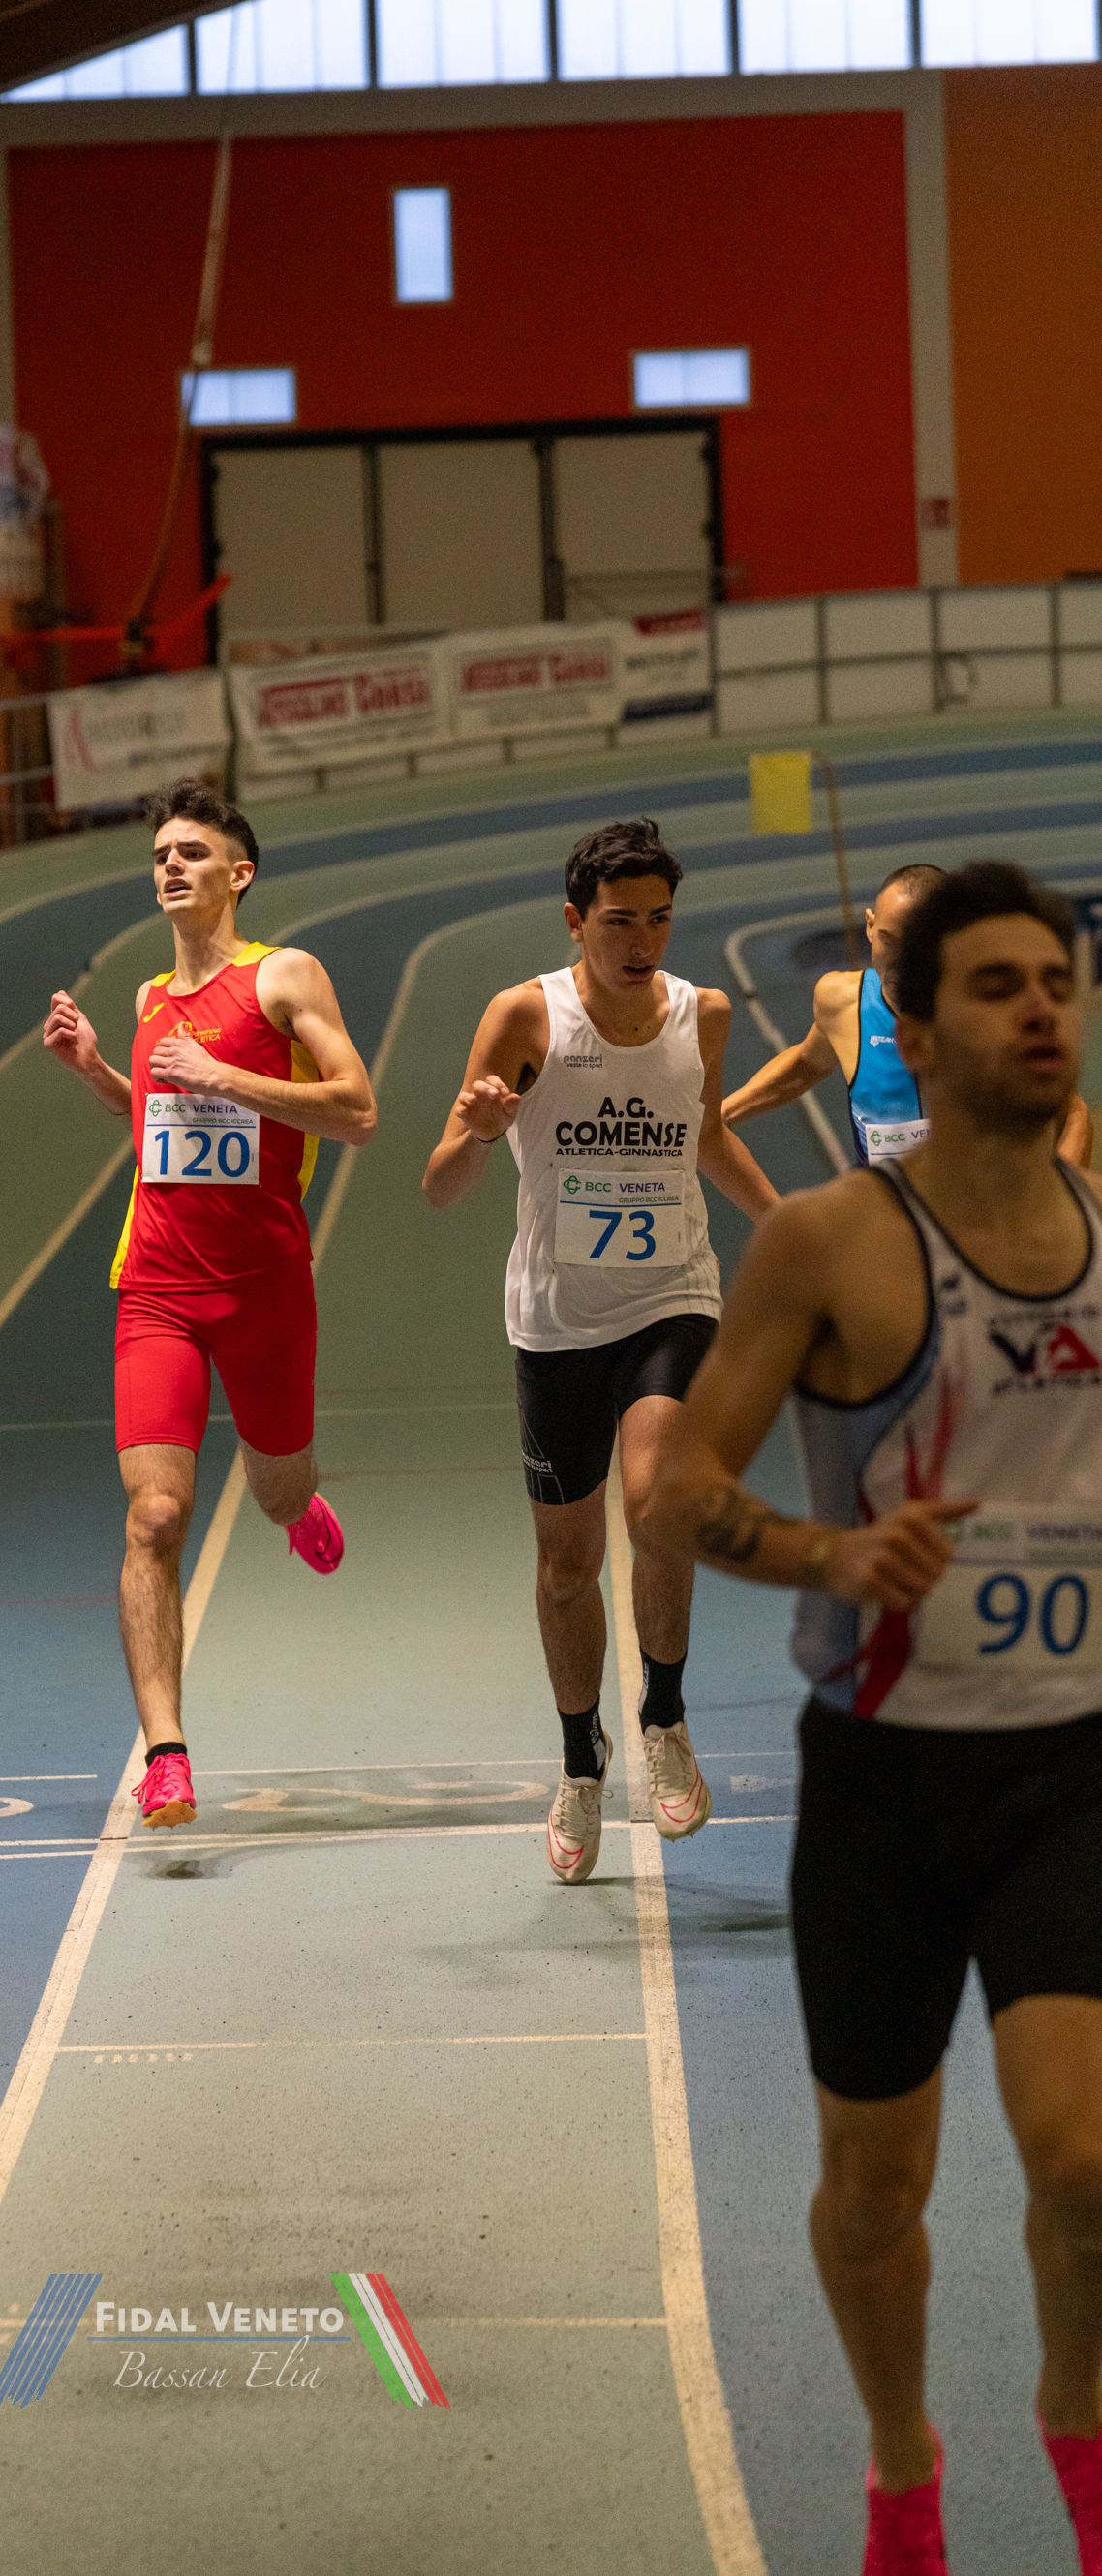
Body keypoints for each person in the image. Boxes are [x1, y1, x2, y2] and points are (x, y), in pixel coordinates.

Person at [645, 862, 1102, 2576]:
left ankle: (1078, 2430)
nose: (1038, 1009)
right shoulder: (829, 1241)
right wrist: (825, 1550)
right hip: (886, 1781)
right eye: (994, 984)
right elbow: (679, 1483)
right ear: (906, 1020)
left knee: (1084, 2162)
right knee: (870, 2192)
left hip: (1073, 1762)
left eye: (1055, 981)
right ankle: (902, 2468)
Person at [421, 816, 780, 1883]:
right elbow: (440, 1182)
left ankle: (662, 1716)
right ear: (574, 920)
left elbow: (704, 1135)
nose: (643, 941)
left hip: (672, 1298)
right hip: (555, 1320)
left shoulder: (703, 1014)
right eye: (620, 921)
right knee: (567, 1566)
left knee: (658, 1499)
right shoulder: (525, 1013)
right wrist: (481, 1129)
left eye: (659, 919)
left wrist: (793, 1228)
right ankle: (581, 1758)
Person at [42, 777, 377, 1830]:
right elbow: (160, 1126)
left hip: (265, 1289)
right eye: (159, 855)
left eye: (190, 852)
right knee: (155, 1515)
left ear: (240, 873)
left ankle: (296, 1507)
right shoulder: (149, 1000)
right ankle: (167, 1753)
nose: (170, 867)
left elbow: (357, 1109)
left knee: (277, 1488)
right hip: (157, 1292)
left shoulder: (283, 976)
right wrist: (98, 1070)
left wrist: (228, 1078)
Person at [724, 860, 1093, 1168]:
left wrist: (1061, 1201)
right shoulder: (842, 1001)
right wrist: (721, 1114)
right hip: (887, 1221)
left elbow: (1072, 1116)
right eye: (890, 940)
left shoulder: (990, 1013)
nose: (902, 961)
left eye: (918, 946)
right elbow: (808, 1064)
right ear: (870, 926)